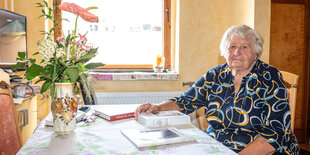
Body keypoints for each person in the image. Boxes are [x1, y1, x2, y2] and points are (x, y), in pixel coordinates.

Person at [135, 24, 299, 154]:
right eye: (232, 46)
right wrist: (157, 107)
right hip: (218, 146)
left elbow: (275, 133)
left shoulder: (269, 76)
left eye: (244, 47)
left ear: (256, 53)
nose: (236, 52)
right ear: (225, 51)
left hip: (259, 149)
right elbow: (186, 101)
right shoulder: (215, 75)